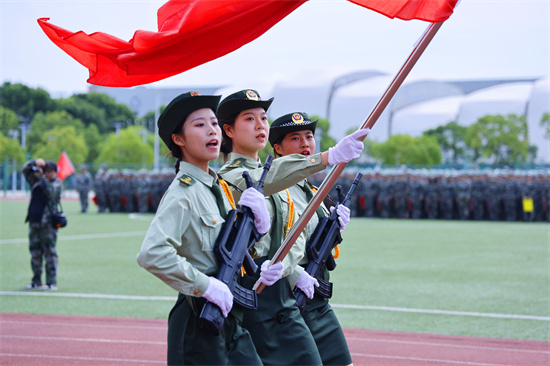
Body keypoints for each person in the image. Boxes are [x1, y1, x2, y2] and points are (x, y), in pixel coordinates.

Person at [216, 89, 369, 365]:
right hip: (256, 290)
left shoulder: (279, 182)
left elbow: (290, 237)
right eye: (250, 119)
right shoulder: (232, 176)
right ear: (228, 130)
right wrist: (327, 156)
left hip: (287, 291)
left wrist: (332, 229)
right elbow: (270, 180)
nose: (260, 125)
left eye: (263, 118)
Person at [136, 91, 271, 366]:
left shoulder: (216, 187)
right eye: (199, 125)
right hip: (199, 318)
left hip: (229, 317)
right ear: (178, 139)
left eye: (213, 123)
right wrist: (204, 285)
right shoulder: (182, 192)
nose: (212, 131)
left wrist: (259, 231)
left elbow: (228, 248)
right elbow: (152, 253)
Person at [269, 112, 360, 366]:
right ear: (278, 148)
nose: (305, 144)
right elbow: (267, 245)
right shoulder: (275, 189)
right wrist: (296, 275)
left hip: (317, 297)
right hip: (290, 296)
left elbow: (313, 241)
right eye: (295, 138)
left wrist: (335, 226)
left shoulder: (311, 190)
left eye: (309, 136)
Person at [22, 158, 62, 291]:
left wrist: (42, 178)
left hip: (48, 224)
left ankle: (51, 282)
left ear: (55, 172)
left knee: (49, 253)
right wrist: (35, 163)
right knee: (35, 253)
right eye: (46, 171)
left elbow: (51, 194)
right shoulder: (36, 181)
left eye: (50, 172)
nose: (47, 174)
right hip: (35, 221)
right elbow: (25, 171)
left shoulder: (55, 183)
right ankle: (36, 281)